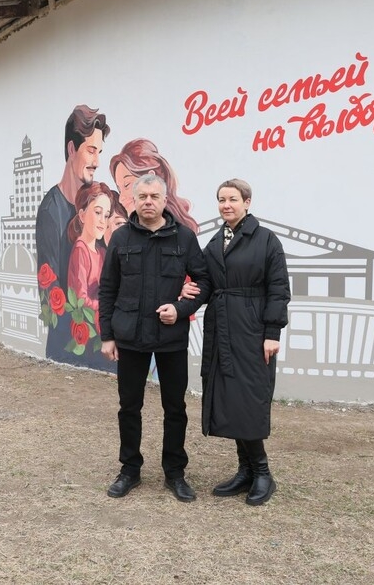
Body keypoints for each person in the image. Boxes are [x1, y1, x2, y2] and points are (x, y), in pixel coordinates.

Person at [98, 174, 210, 502]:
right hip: (130, 336)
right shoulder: (120, 237)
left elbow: (204, 281)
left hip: (170, 336)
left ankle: (175, 472)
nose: (148, 201)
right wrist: (107, 336)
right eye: (142, 196)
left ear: (164, 200)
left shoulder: (184, 238)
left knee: (175, 407)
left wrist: (181, 308)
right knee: (129, 406)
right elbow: (108, 288)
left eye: (154, 196)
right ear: (133, 200)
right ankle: (129, 469)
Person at [182, 178, 290, 506]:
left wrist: (272, 333)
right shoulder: (216, 242)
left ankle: (263, 473)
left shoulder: (266, 240)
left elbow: (279, 288)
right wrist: (186, 291)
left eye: (232, 199)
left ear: (247, 202)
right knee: (230, 399)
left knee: (249, 400)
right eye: (221, 200)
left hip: (252, 330)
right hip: (223, 330)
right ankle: (245, 471)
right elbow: (205, 281)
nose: (226, 205)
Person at [35, 105, 110, 365]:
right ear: (71, 149)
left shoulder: (97, 202)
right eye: (91, 150)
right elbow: (49, 293)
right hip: (68, 351)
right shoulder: (51, 210)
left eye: (99, 152)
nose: (96, 162)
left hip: (101, 343)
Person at [66, 181, 115, 370]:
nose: (103, 220)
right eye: (97, 212)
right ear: (82, 215)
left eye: (106, 215)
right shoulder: (81, 250)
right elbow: (81, 299)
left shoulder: (101, 253)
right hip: (90, 329)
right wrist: (106, 306)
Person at [109, 138, 199, 233]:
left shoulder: (184, 233)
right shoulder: (122, 236)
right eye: (119, 190)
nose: (121, 199)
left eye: (127, 185)